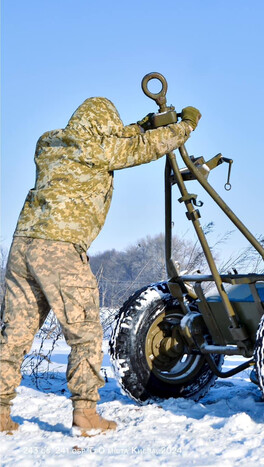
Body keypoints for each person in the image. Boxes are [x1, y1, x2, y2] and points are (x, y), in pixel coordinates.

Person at [0, 97, 201, 435]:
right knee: (86, 335)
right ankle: (86, 415)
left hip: (23, 247)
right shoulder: (97, 148)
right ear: (103, 127)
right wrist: (185, 127)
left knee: (14, 335)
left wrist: (141, 124)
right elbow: (141, 149)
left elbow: (120, 139)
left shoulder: (49, 143)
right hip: (60, 249)